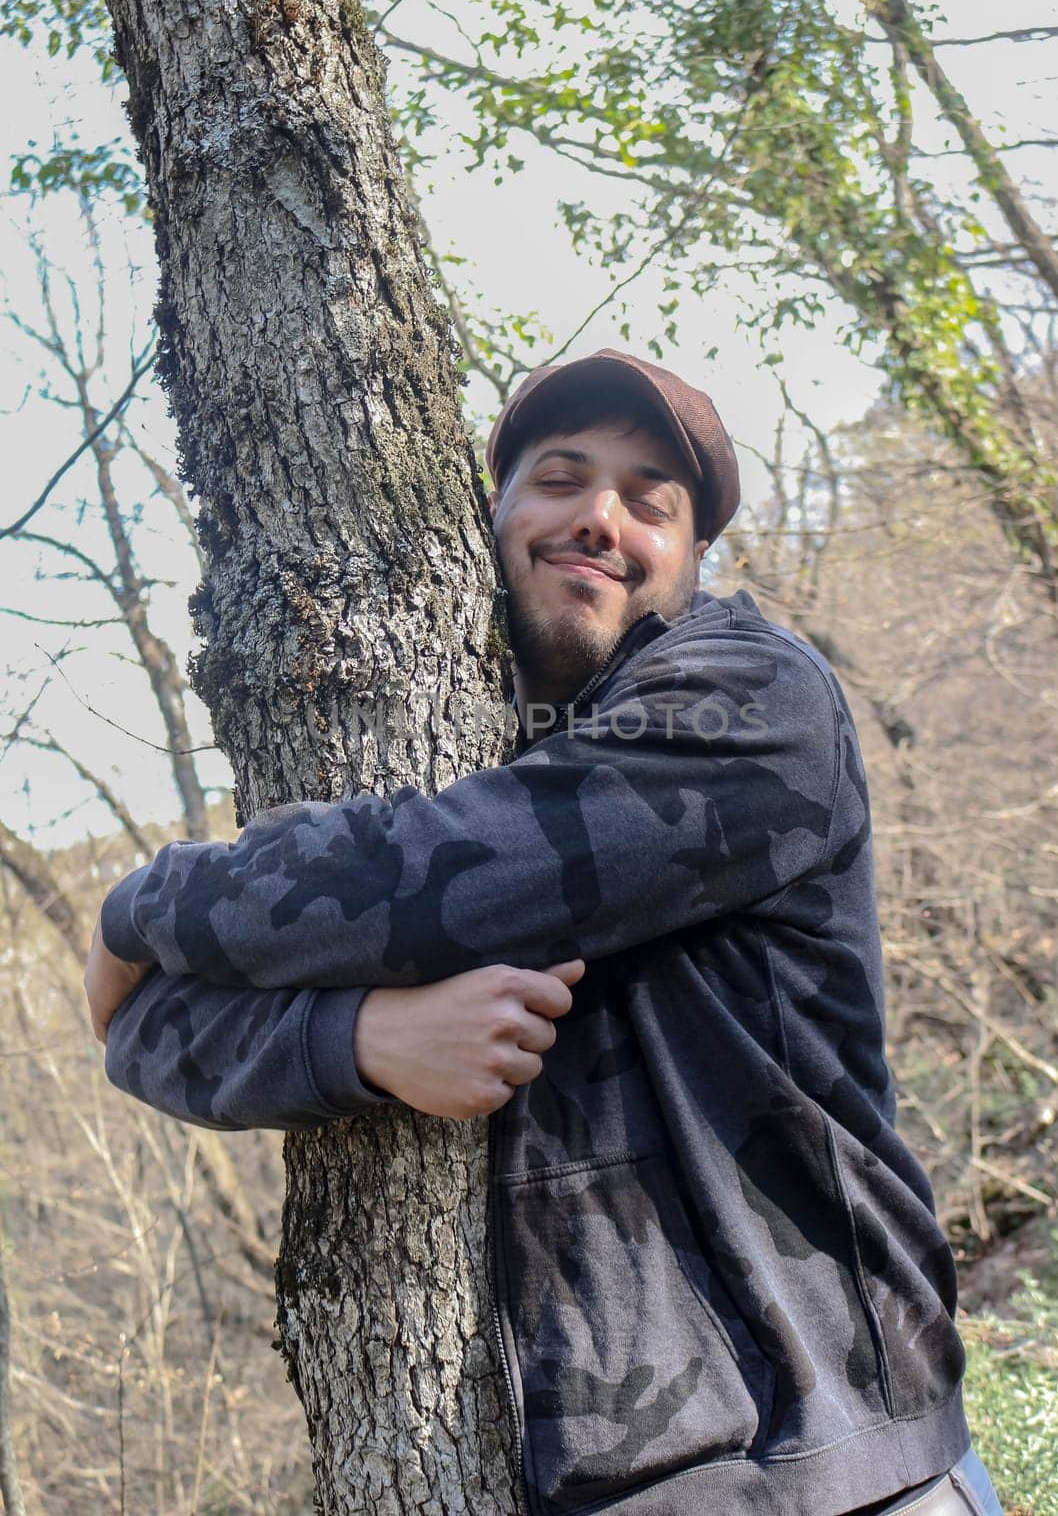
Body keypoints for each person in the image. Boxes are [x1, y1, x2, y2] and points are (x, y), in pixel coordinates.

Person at [85, 350, 1003, 1516]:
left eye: (648, 499)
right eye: (560, 478)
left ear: (694, 555)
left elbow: (424, 884)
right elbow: (146, 1034)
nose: (599, 519)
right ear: (495, 513)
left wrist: (138, 906)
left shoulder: (751, 704)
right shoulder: (493, 768)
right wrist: (358, 1039)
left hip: (835, 1472)